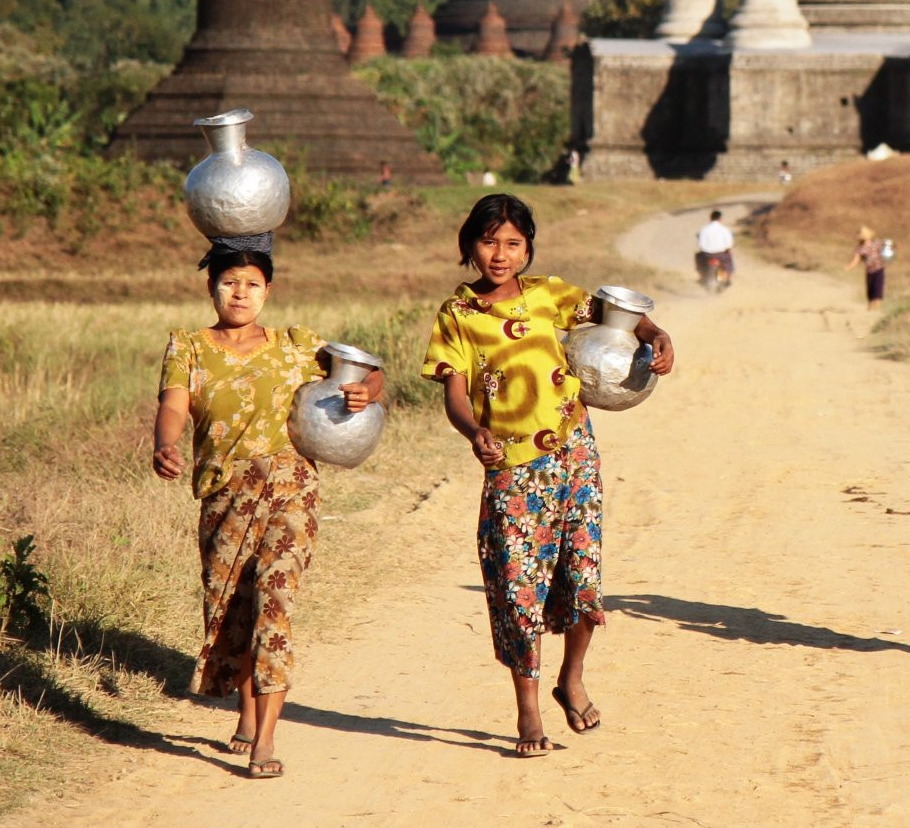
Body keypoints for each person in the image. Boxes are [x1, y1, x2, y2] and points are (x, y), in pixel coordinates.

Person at [424, 194, 675, 757]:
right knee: (519, 589)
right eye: (489, 241)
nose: (500, 254)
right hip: (511, 466)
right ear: (470, 245)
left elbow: (623, 317)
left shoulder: (550, 295)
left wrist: (656, 337)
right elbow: (455, 390)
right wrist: (474, 434)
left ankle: (572, 677)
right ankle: (528, 711)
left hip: (573, 455)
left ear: (528, 248)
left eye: (513, 243)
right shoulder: (457, 314)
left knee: (582, 576)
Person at [152, 240, 383, 779]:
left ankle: (266, 741)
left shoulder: (298, 345)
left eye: (252, 283)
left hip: (291, 488)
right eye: (229, 281)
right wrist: (165, 444)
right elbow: (173, 404)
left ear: (268, 291)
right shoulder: (188, 347)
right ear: (211, 287)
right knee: (235, 610)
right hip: (225, 495)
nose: (240, 292)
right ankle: (246, 711)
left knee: (274, 605)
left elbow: (370, 372)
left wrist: (367, 394)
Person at [846, 225, 887, 310]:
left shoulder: (876, 243)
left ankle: (877, 309)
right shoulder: (860, 248)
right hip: (869, 271)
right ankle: (870, 308)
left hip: (879, 269)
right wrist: (850, 266)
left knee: (878, 289)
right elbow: (856, 259)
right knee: (870, 291)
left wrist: (893, 247)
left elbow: (887, 248)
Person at [695, 208, 734, 287]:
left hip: (707, 255)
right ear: (720, 218)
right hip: (721, 255)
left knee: (698, 257)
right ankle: (728, 278)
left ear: (710, 218)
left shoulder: (704, 229)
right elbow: (729, 245)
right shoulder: (725, 229)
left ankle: (700, 276)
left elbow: (701, 245)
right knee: (729, 264)